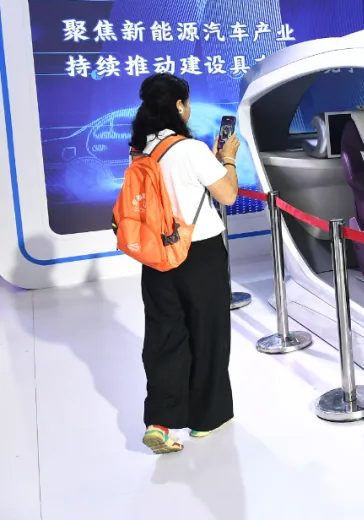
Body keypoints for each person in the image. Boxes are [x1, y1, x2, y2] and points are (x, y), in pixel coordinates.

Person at [131, 74, 240, 454]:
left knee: (164, 337)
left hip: (155, 254)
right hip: (199, 252)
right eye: (187, 102)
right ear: (178, 105)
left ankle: (159, 422)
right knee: (208, 334)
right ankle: (206, 419)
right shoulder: (190, 149)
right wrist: (227, 159)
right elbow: (227, 194)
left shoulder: (141, 149)